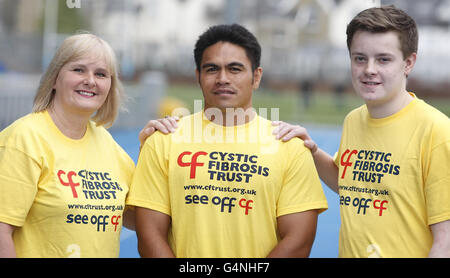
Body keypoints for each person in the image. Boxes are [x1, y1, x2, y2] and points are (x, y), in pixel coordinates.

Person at [127, 24, 328, 258]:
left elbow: (299, 241)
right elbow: (150, 235)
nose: (223, 78)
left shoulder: (290, 146)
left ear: (256, 77)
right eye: (212, 69)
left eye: (235, 69)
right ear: (198, 77)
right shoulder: (163, 140)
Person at [272, 5, 450, 258]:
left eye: (383, 59)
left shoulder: (436, 131)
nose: (369, 69)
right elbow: (351, 184)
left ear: (408, 62)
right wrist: (311, 150)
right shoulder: (354, 120)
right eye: (360, 58)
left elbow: (445, 241)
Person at [0, 33, 135, 258]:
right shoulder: (23, 139)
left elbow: (136, 218)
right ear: (54, 78)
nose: (90, 80)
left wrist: (155, 148)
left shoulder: (109, 145)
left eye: (101, 74)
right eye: (78, 70)